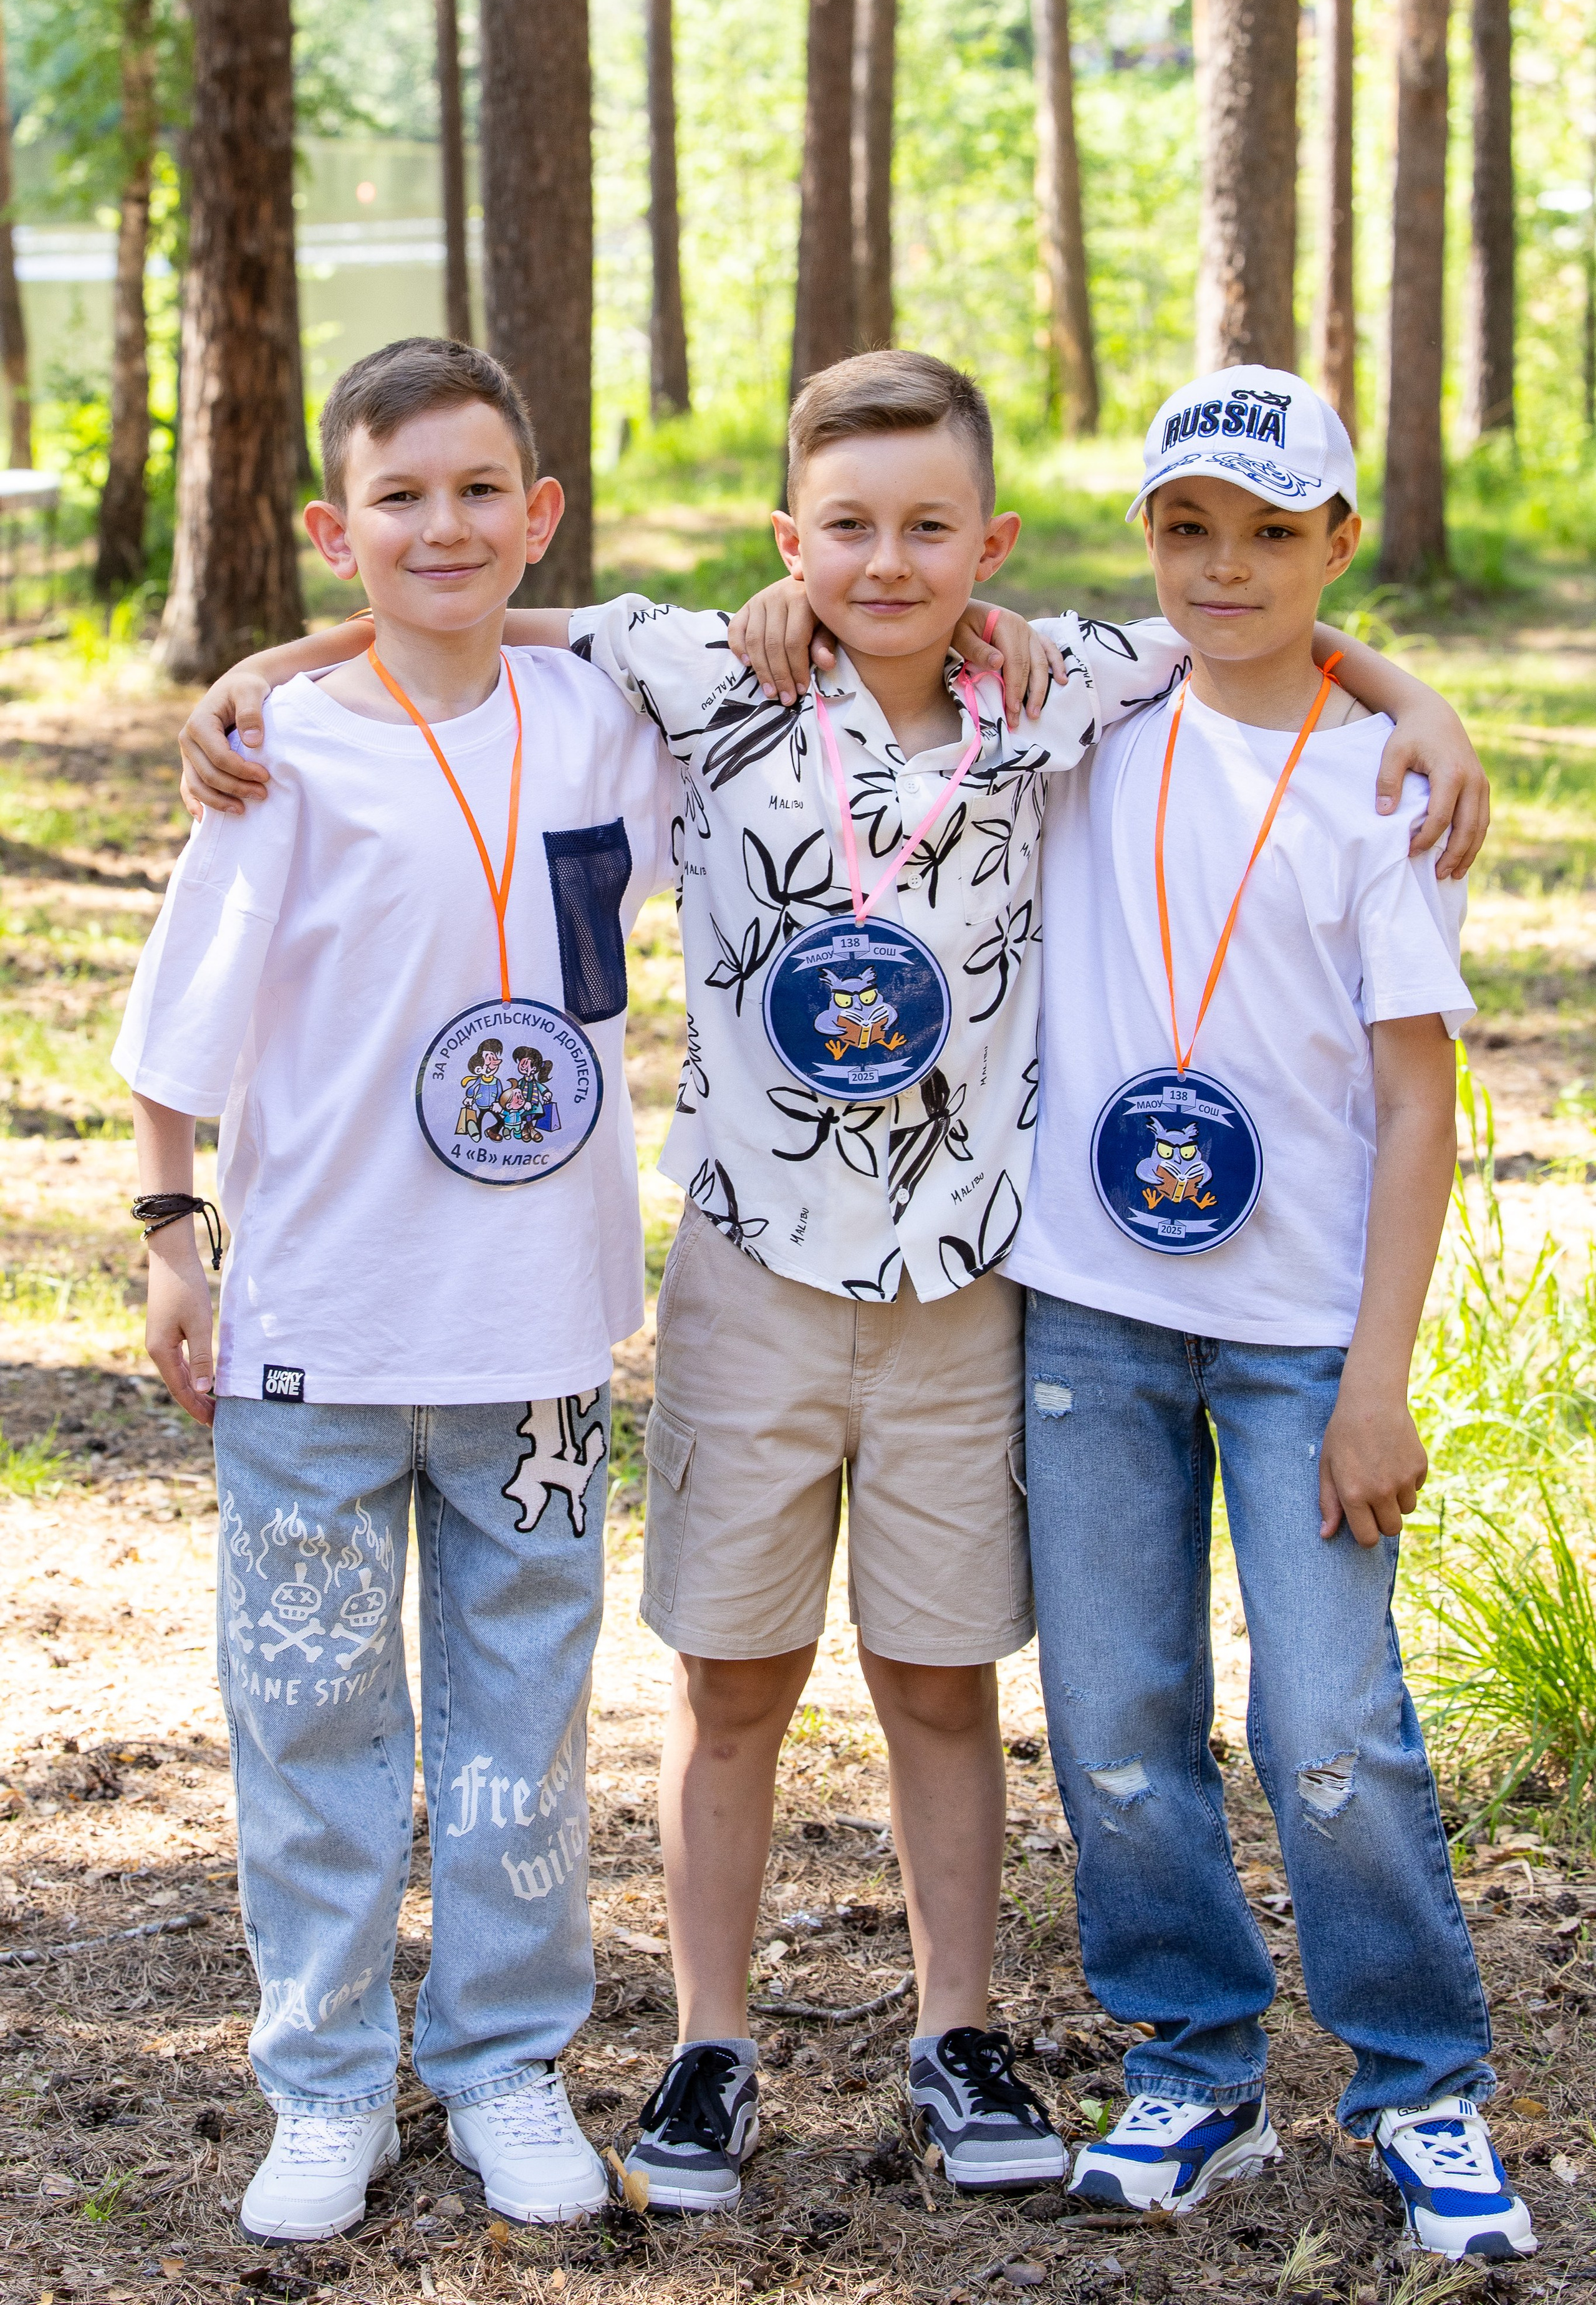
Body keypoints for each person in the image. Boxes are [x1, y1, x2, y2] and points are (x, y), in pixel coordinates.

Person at [175, 350, 1488, 2215]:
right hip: (753, 1279)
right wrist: (270, 668)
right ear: (791, 539)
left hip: (971, 1289)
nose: (887, 563)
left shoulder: (1060, 692)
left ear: (993, 543)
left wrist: (1416, 695)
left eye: (929, 527)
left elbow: (1257, 633)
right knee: (735, 1681)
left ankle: (959, 2030)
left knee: (942, 1681)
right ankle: (714, 2044)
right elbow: (477, 607)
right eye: (848, 528)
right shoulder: (716, 678)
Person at [113, 337, 678, 2242]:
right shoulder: (282, 750)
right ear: (327, 527)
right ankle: (328, 2079)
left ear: (542, 514)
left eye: (477, 492)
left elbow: (809, 619)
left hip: (534, 1335)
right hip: (321, 1336)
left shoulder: (607, 714)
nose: (440, 527)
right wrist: (171, 1232)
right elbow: (181, 1027)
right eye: (396, 497)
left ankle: (508, 2060)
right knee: (314, 1719)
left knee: (526, 1717)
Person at [1002, 368, 1534, 2263]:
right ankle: (1192, 2065)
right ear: (1145, 537)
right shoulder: (1086, 706)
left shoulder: (1384, 786)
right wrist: (296, 661)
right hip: (1090, 1315)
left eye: (1270, 532)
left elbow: (1414, 1104)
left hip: (1307, 1331)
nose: (1224, 568)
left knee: (1330, 1719)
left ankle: (1422, 2085)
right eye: (1185, 528)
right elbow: (841, 608)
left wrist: (1378, 1377)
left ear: (1336, 544)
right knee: (1117, 1716)